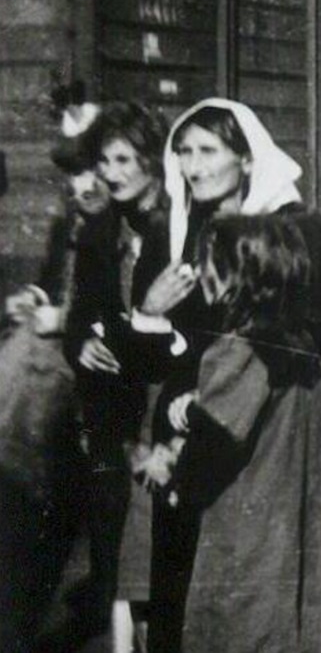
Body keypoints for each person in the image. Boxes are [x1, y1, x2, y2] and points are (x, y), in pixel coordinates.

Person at [130, 98, 321, 650]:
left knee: (259, 604)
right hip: (193, 443)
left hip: (264, 444)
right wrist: (148, 312)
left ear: (245, 158)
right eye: (184, 152)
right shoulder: (174, 235)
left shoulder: (303, 231)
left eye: (208, 151)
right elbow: (144, 365)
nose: (194, 167)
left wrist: (270, 324)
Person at [164, 216, 321, 653]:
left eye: (208, 262)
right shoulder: (300, 344)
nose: (201, 272)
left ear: (238, 274)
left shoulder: (239, 348)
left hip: (250, 540)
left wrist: (179, 482)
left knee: (243, 632)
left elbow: (216, 442)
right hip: (299, 529)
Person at [61, 100, 170, 650]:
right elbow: (81, 309)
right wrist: (80, 342)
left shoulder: (176, 228)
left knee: (154, 547)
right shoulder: (102, 228)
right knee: (110, 527)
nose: (112, 173)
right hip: (110, 407)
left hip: (159, 399)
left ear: (152, 159)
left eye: (125, 159)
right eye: (106, 160)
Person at [0, 130, 110, 652]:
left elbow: (120, 309)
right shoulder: (71, 221)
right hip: (51, 352)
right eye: (74, 175)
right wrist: (36, 299)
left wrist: (63, 318)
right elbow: (54, 281)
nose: (82, 184)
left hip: (90, 362)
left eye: (92, 171)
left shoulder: (124, 227)